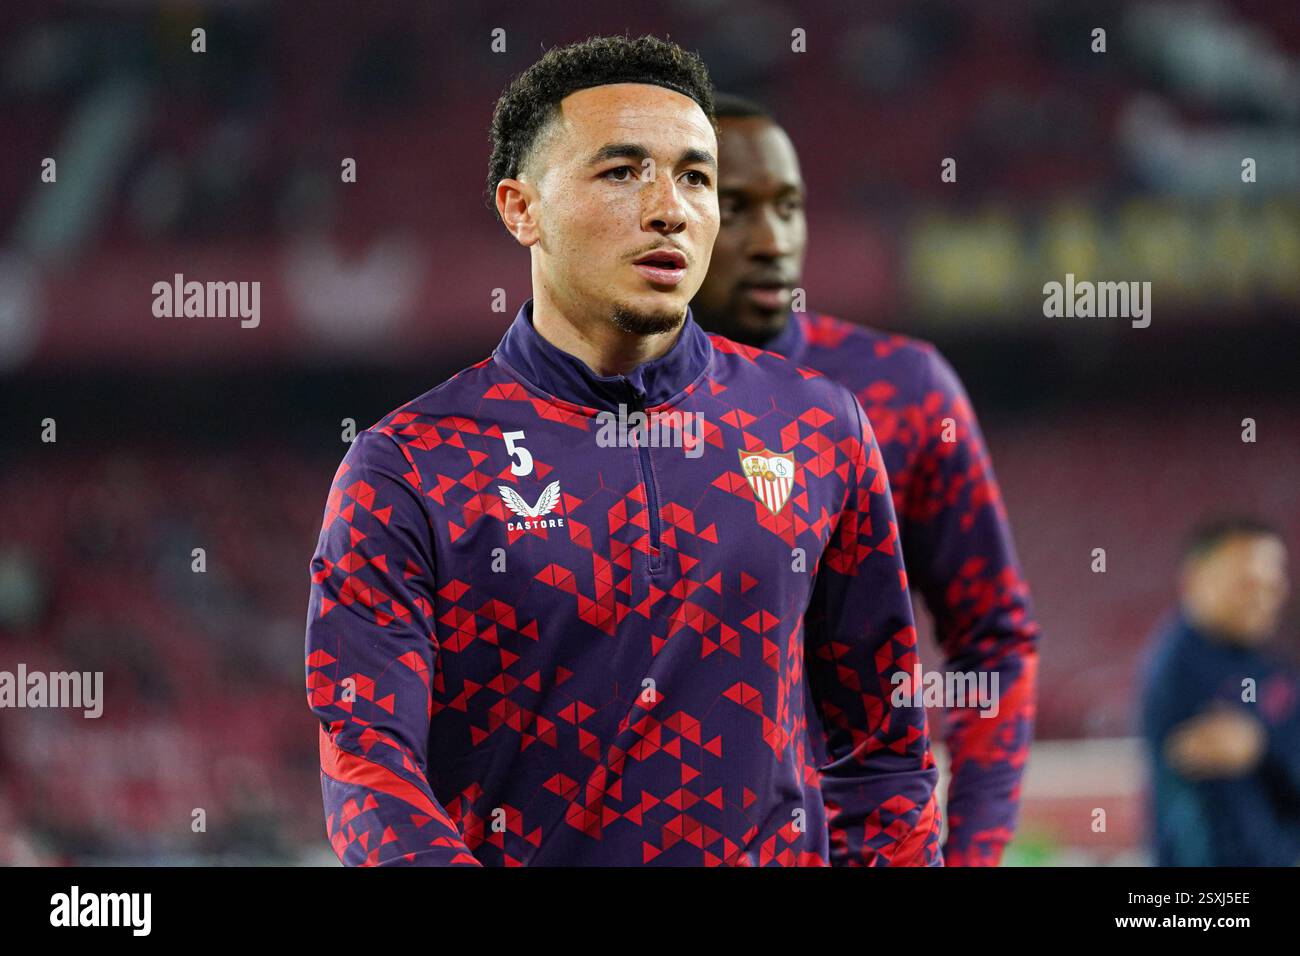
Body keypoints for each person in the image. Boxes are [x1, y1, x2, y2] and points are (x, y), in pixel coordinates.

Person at [303, 36, 941, 866]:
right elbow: (368, 768)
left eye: (697, 177)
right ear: (520, 207)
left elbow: (883, 750)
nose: (669, 207)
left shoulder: (818, 428)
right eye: (621, 172)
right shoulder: (409, 468)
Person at [691, 94, 1040, 866]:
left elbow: (994, 638)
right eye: (735, 207)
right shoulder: (595, 409)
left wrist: (975, 851)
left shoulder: (901, 390)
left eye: (789, 206)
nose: (773, 240)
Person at [1139, 517, 1299, 866]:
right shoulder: (1181, 668)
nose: (1264, 597)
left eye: (1272, 584)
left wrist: (1261, 743)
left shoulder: (1263, 660)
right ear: (1196, 578)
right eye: (1246, 584)